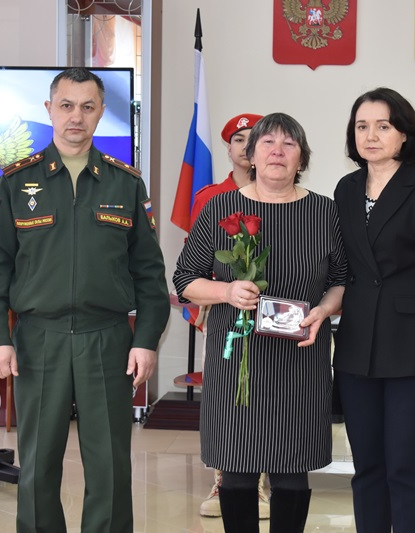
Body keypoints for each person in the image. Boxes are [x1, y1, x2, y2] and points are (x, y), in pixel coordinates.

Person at [0, 67, 170, 533]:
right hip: (38, 339)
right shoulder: (17, 181)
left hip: (107, 340)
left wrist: (145, 340)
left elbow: (149, 272)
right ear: (49, 110)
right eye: (66, 106)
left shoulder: (125, 183)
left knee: (109, 466)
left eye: (87, 107)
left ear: (101, 112)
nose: (76, 117)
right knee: (38, 464)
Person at [173, 113, 347, 532]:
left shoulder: (324, 212)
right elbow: (185, 280)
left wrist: (325, 310)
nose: (278, 152)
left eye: (289, 144)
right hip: (238, 359)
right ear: (250, 155)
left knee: (292, 471)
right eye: (267, 143)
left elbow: (342, 281)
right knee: (236, 469)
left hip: (299, 357)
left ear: (302, 158)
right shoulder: (221, 208)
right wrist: (226, 292)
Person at [333, 87, 415, 533]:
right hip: (357, 349)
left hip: (413, 351)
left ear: (404, 134)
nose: (370, 136)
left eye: (383, 126)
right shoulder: (346, 189)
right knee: (367, 465)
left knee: (405, 465)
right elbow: (341, 267)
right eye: (362, 126)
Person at [191, 113, 273, 520]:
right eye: (238, 139)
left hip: (271, 309)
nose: (245, 145)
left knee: (266, 391)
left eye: (253, 138)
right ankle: (224, 477)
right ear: (229, 148)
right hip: (224, 308)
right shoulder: (211, 197)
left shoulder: (277, 192)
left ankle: (260, 480)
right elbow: (195, 261)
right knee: (226, 394)